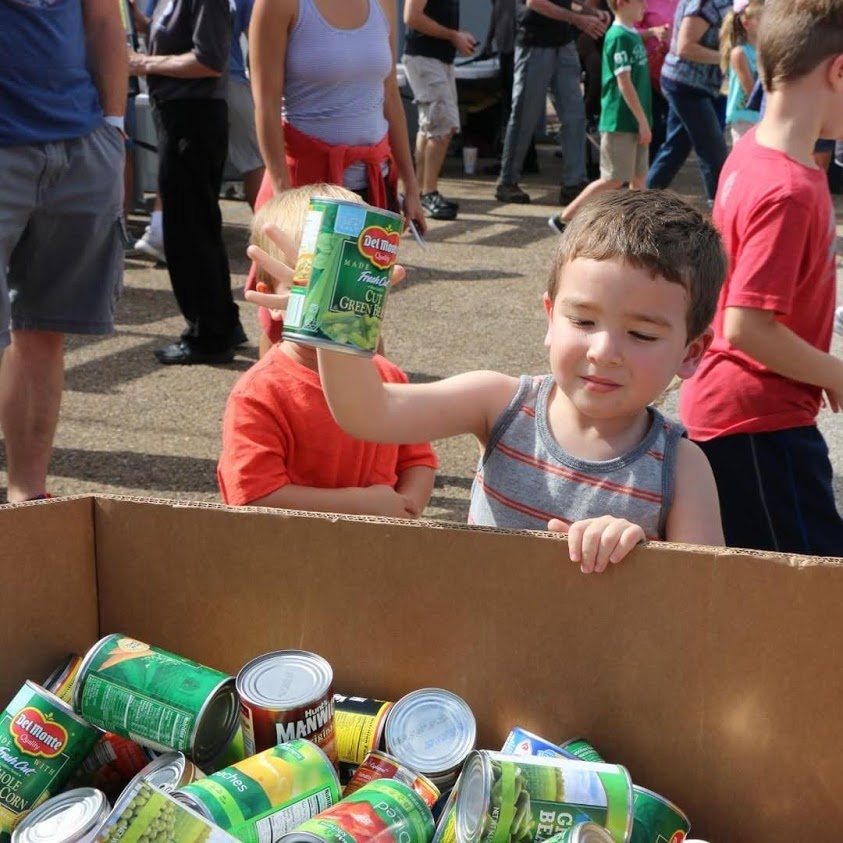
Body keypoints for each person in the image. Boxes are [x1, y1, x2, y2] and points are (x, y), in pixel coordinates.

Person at [251, 190, 727, 571]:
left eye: (642, 334)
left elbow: (705, 603)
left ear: (691, 352)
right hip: (477, 651)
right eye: (583, 321)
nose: (603, 351)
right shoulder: (499, 403)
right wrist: (335, 315)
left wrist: (646, 557)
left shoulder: (683, 468)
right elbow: (367, 412)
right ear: (550, 317)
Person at [678, 0, 843, 555]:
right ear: (838, 70)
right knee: (814, 583)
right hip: (757, 424)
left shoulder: (751, 151)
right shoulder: (790, 190)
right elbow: (746, 325)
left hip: (739, 415)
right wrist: (835, 371)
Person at [219, 184, 438, 515]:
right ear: (272, 300)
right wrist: (361, 506)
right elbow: (254, 496)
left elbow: (417, 459)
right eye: (308, 282)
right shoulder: (260, 393)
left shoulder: (387, 376)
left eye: (350, 279)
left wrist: (408, 504)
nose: (332, 300)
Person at [248, 0, 427, 356]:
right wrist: (285, 198)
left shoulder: (383, 4)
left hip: (366, 188)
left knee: (359, 317)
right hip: (304, 186)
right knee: (288, 317)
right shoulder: (278, 5)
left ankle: (364, 394)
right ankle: (279, 393)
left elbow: (389, 95)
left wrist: (411, 184)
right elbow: (265, 104)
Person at [0, 0, 127, 503]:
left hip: (80, 144)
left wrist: (113, 125)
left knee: (43, 328)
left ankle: (29, 497)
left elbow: (103, 20)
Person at [129, 0, 247, 366]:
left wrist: (142, 63)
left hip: (193, 117)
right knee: (197, 227)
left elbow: (208, 60)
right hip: (179, 115)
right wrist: (140, 23)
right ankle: (221, 324)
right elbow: (173, 39)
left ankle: (208, 336)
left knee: (189, 232)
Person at [548, 0, 652, 235]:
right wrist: (642, 120)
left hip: (636, 120)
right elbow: (624, 82)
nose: (644, 6)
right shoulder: (618, 36)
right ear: (622, 3)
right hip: (621, 120)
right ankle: (564, 219)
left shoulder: (631, 33)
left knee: (638, 178)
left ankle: (636, 230)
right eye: (640, 1)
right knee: (613, 178)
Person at [494, 0, 610, 206]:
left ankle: (574, 184)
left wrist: (590, 11)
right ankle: (507, 181)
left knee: (575, 116)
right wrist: (579, 19)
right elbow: (534, 2)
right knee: (524, 116)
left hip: (564, 43)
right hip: (534, 44)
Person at [645, 0, 732, 204]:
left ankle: (639, 204)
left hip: (698, 86)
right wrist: (727, 58)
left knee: (675, 149)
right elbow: (685, 47)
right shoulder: (703, 4)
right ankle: (718, 214)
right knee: (714, 154)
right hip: (685, 85)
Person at [403, 0, 477, 220]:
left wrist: (458, 35)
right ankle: (429, 193)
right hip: (425, 59)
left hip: (439, 60)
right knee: (443, 127)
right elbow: (411, 17)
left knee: (429, 128)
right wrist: (453, 36)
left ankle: (417, 192)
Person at [226, 0, 265, 210]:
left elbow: (148, 26)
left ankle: (160, 222)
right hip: (231, 81)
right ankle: (265, 223)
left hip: (177, 84)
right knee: (256, 159)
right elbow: (257, 41)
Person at [720, 0, 763, 145]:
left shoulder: (763, 51)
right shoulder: (740, 53)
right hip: (744, 116)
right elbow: (752, 92)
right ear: (746, 24)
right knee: (744, 154)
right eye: (760, 18)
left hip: (760, 115)